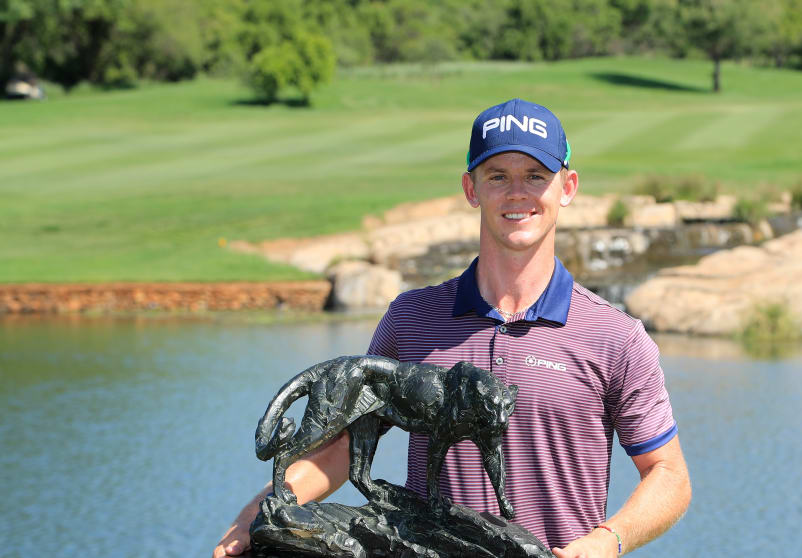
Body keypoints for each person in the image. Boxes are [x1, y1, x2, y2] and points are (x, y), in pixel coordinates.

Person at [213, 99, 691, 558]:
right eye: (497, 176)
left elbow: (668, 474)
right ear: (471, 189)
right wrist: (256, 514)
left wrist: (608, 540)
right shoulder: (411, 318)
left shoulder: (615, 336)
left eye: (536, 176)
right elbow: (340, 447)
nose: (517, 193)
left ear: (567, 188)